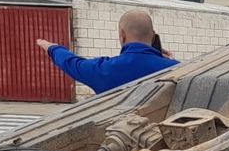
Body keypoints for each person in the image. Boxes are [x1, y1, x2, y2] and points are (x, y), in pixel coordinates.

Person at [36, 9, 176, 94]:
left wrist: (51, 47)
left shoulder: (104, 69)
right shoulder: (176, 69)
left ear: (122, 35)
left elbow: (73, 63)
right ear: (153, 35)